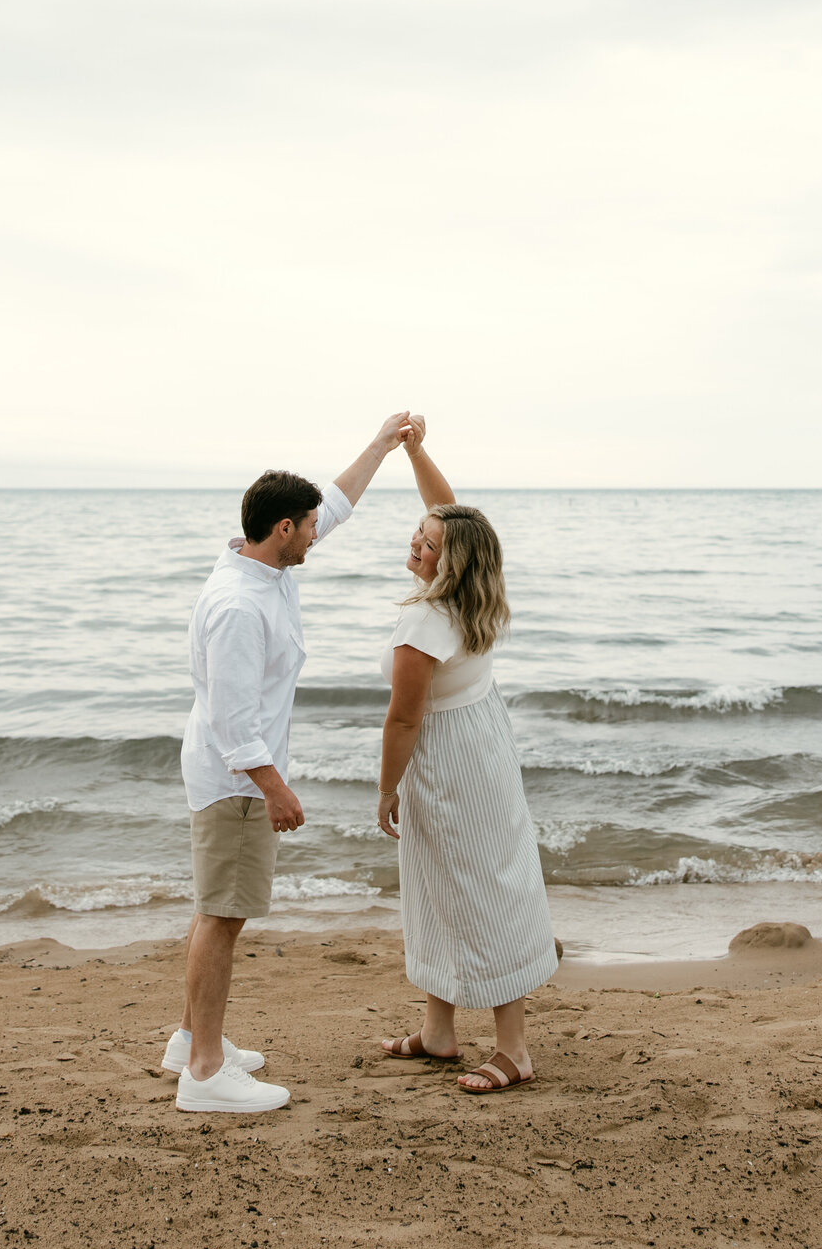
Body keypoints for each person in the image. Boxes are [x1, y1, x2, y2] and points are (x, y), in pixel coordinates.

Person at [165, 411, 412, 1115]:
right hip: (235, 778)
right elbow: (232, 720)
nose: (315, 534)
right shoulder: (240, 606)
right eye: (306, 529)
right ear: (282, 530)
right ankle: (205, 1074)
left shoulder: (261, 563)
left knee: (217, 909)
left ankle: (189, 1042)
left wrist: (382, 445)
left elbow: (334, 503)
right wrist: (275, 788)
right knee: (223, 915)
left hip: (228, 772)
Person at [377, 417, 558, 1092]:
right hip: (483, 742)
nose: (416, 543)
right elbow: (451, 515)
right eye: (418, 534)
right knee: (442, 884)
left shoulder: (423, 620)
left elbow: (404, 718)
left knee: (478, 889)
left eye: (426, 544)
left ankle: (514, 1049)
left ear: (448, 561)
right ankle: (439, 1032)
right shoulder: (474, 592)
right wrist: (417, 454)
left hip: (448, 760)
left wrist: (386, 789)